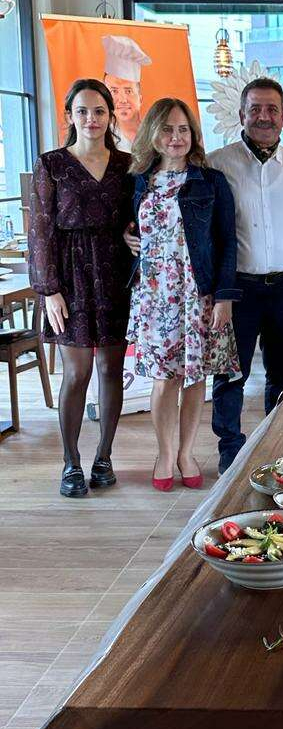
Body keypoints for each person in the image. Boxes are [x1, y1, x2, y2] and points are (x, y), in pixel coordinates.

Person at [207, 78, 283, 473]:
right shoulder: (216, 165)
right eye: (256, 109)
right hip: (236, 290)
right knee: (231, 374)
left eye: (272, 109)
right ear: (241, 114)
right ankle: (230, 448)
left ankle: (273, 442)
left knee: (282, 374)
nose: (264, 117)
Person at [126, 98, 240, 491]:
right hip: (155, 295)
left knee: (194, 378)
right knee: (164, 379)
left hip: (198, 293)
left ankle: (187, 453)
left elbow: (227, 241)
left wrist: (224, 297)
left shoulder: (211, 181)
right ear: (153, 134)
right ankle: (164, 453)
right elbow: (122, 226)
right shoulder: (137, 181)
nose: (176, 137)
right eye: (167, 129)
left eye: (183, 129)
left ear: (192, 135)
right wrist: (124, 236)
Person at [28, 78, 134, 498]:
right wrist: (49, 289)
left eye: (99, 111)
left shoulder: (127, 165)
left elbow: (136, 217)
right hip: (69, 279)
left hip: (116, 275)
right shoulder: (51, 164)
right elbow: (40, 231)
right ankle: (70, 462)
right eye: (83, 111)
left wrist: (131, 234)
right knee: (77, 372)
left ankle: (104, 457)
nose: (91, 118)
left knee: (111, 369)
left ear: (110, 116)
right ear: (70, 116)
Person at [102, 34, 152, 151]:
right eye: (114, 91)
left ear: (140, 99)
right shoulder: (101, 140)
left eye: (128, 91)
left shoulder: (155, 134)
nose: (123, 100)